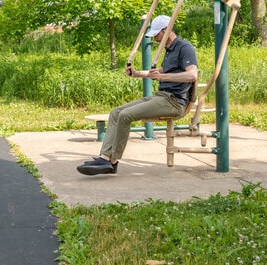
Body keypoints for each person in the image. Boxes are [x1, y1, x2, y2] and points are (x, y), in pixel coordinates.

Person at [76, 15, 198, 176]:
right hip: (161, 96)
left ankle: (112, 161)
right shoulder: (169, 50)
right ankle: (105, 157)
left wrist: (163, 77)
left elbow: (192, 75)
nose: (154, 38)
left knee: (126, 116)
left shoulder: (184, 47)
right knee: (116, 113)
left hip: (175, 101)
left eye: (157, 34)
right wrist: (137, 74)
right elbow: (159, 72)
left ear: (166, 30)